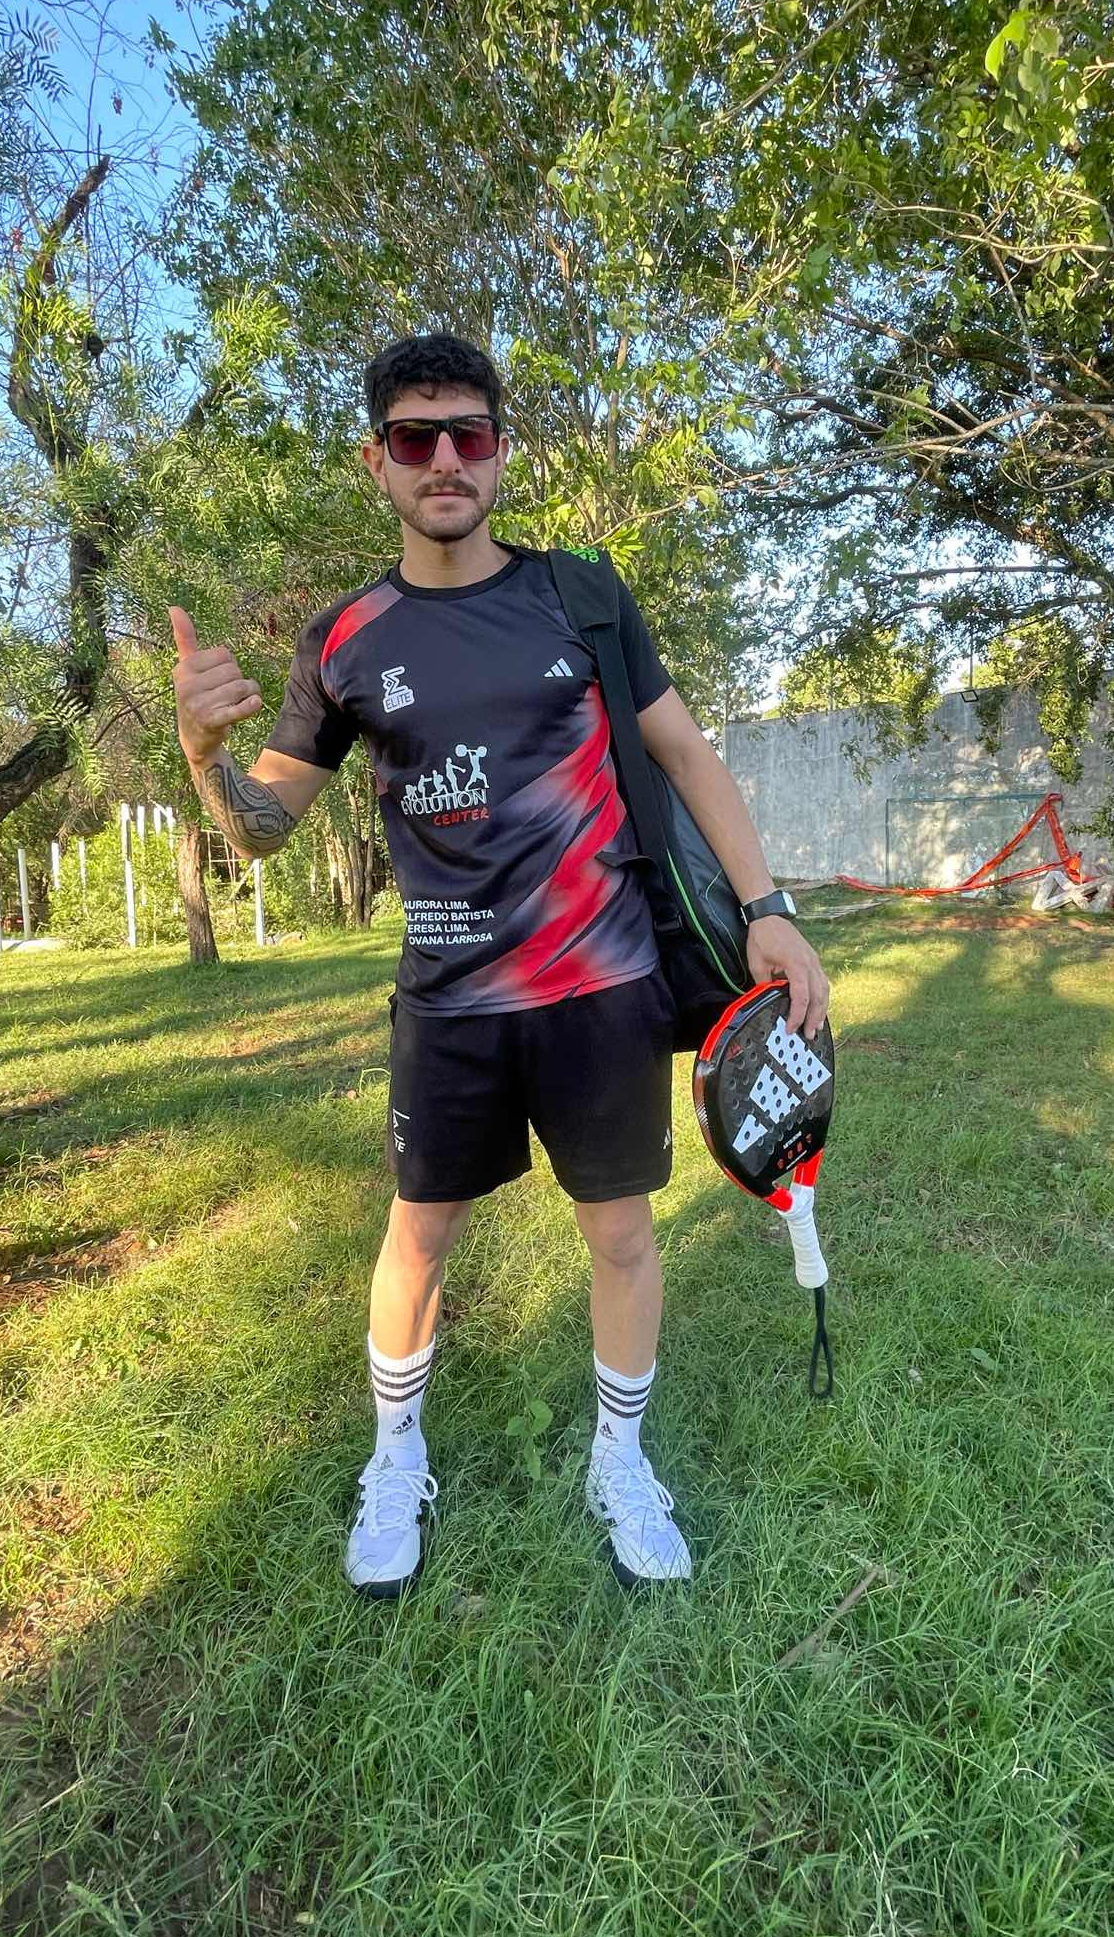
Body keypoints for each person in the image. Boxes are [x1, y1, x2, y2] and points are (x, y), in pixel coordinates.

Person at [169, 332, 828, 1596]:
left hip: (603, 985)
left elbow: (687, 756)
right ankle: (395, 1457)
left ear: (502, 452)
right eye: (415, 438)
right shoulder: (343, 639)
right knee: (418, 1237)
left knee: (621, 1234)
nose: (445, 460)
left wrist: (770, 909)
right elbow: (260, 830)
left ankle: (620, 1460)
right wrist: (202, 757)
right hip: (451, 1002)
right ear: (376, 461)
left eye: (468, 433)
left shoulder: (582, 598)